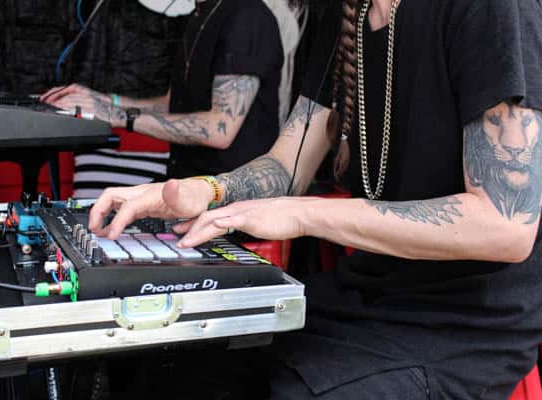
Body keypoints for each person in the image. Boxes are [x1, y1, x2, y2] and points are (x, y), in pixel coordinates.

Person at [87, 0, 542, 398]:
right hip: (366, 295)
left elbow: (504, 227)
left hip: (465, 325)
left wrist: (303, 213)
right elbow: (288, 164)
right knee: (177, 362)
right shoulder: (349, 15)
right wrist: (204, 190)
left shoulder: (491, 8)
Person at [41, 0, 292, 180]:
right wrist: (105, 100)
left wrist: (118, 116)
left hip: (229, 198)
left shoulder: (247, 18)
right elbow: (173, 102)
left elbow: (219, 130)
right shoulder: (200, 15)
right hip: (185, 184)